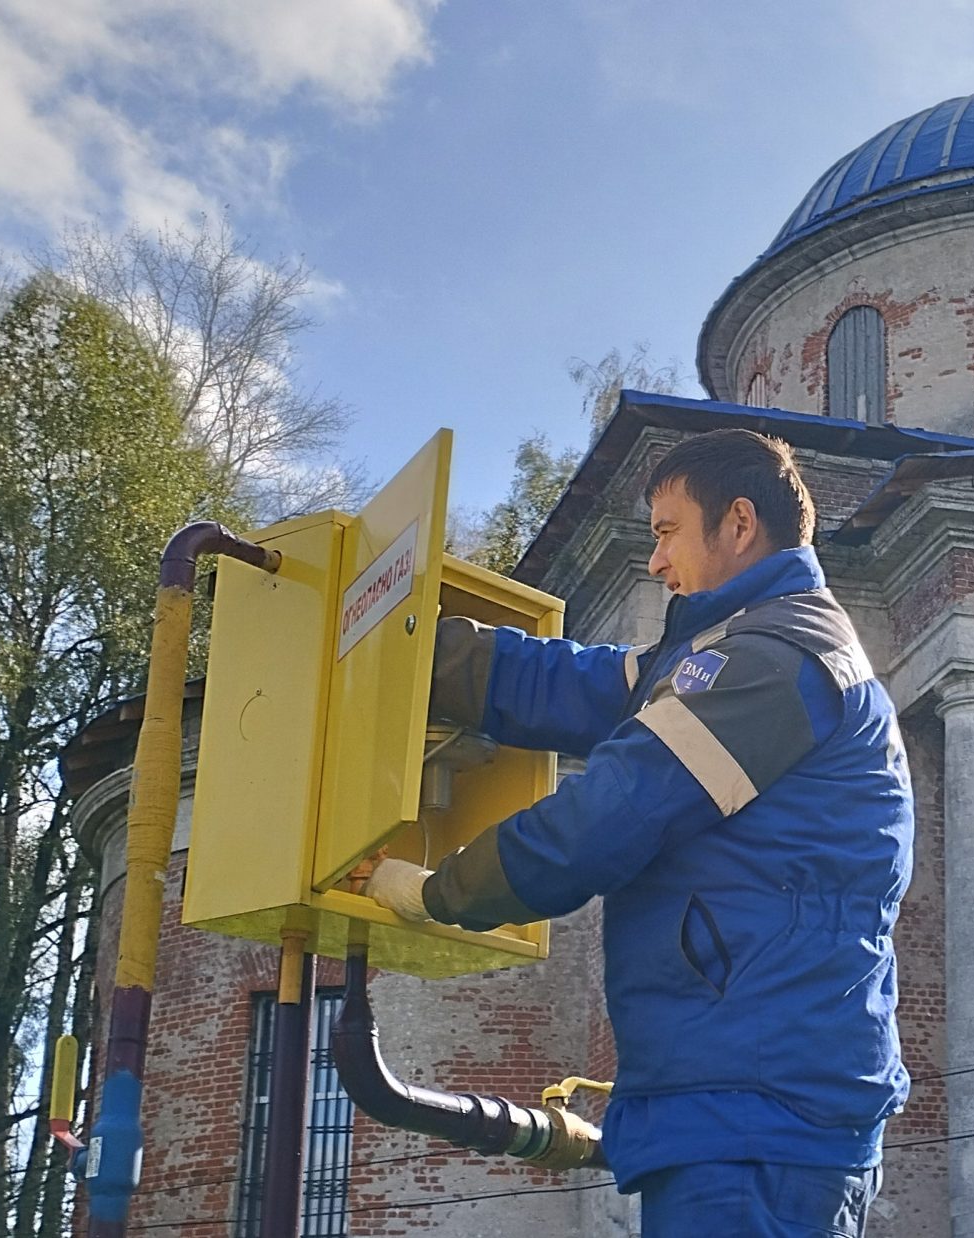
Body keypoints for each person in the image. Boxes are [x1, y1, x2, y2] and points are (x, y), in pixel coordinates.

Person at [362, 429, 912, 1237]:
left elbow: (609, 815)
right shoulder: (709, 655)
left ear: (737, 524)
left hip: (759, 1112)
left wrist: (433, 891)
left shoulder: (776, 660)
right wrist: (404, 641)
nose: (654, 563)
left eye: (665, 532)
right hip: (740, 1099)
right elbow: (567, 684)